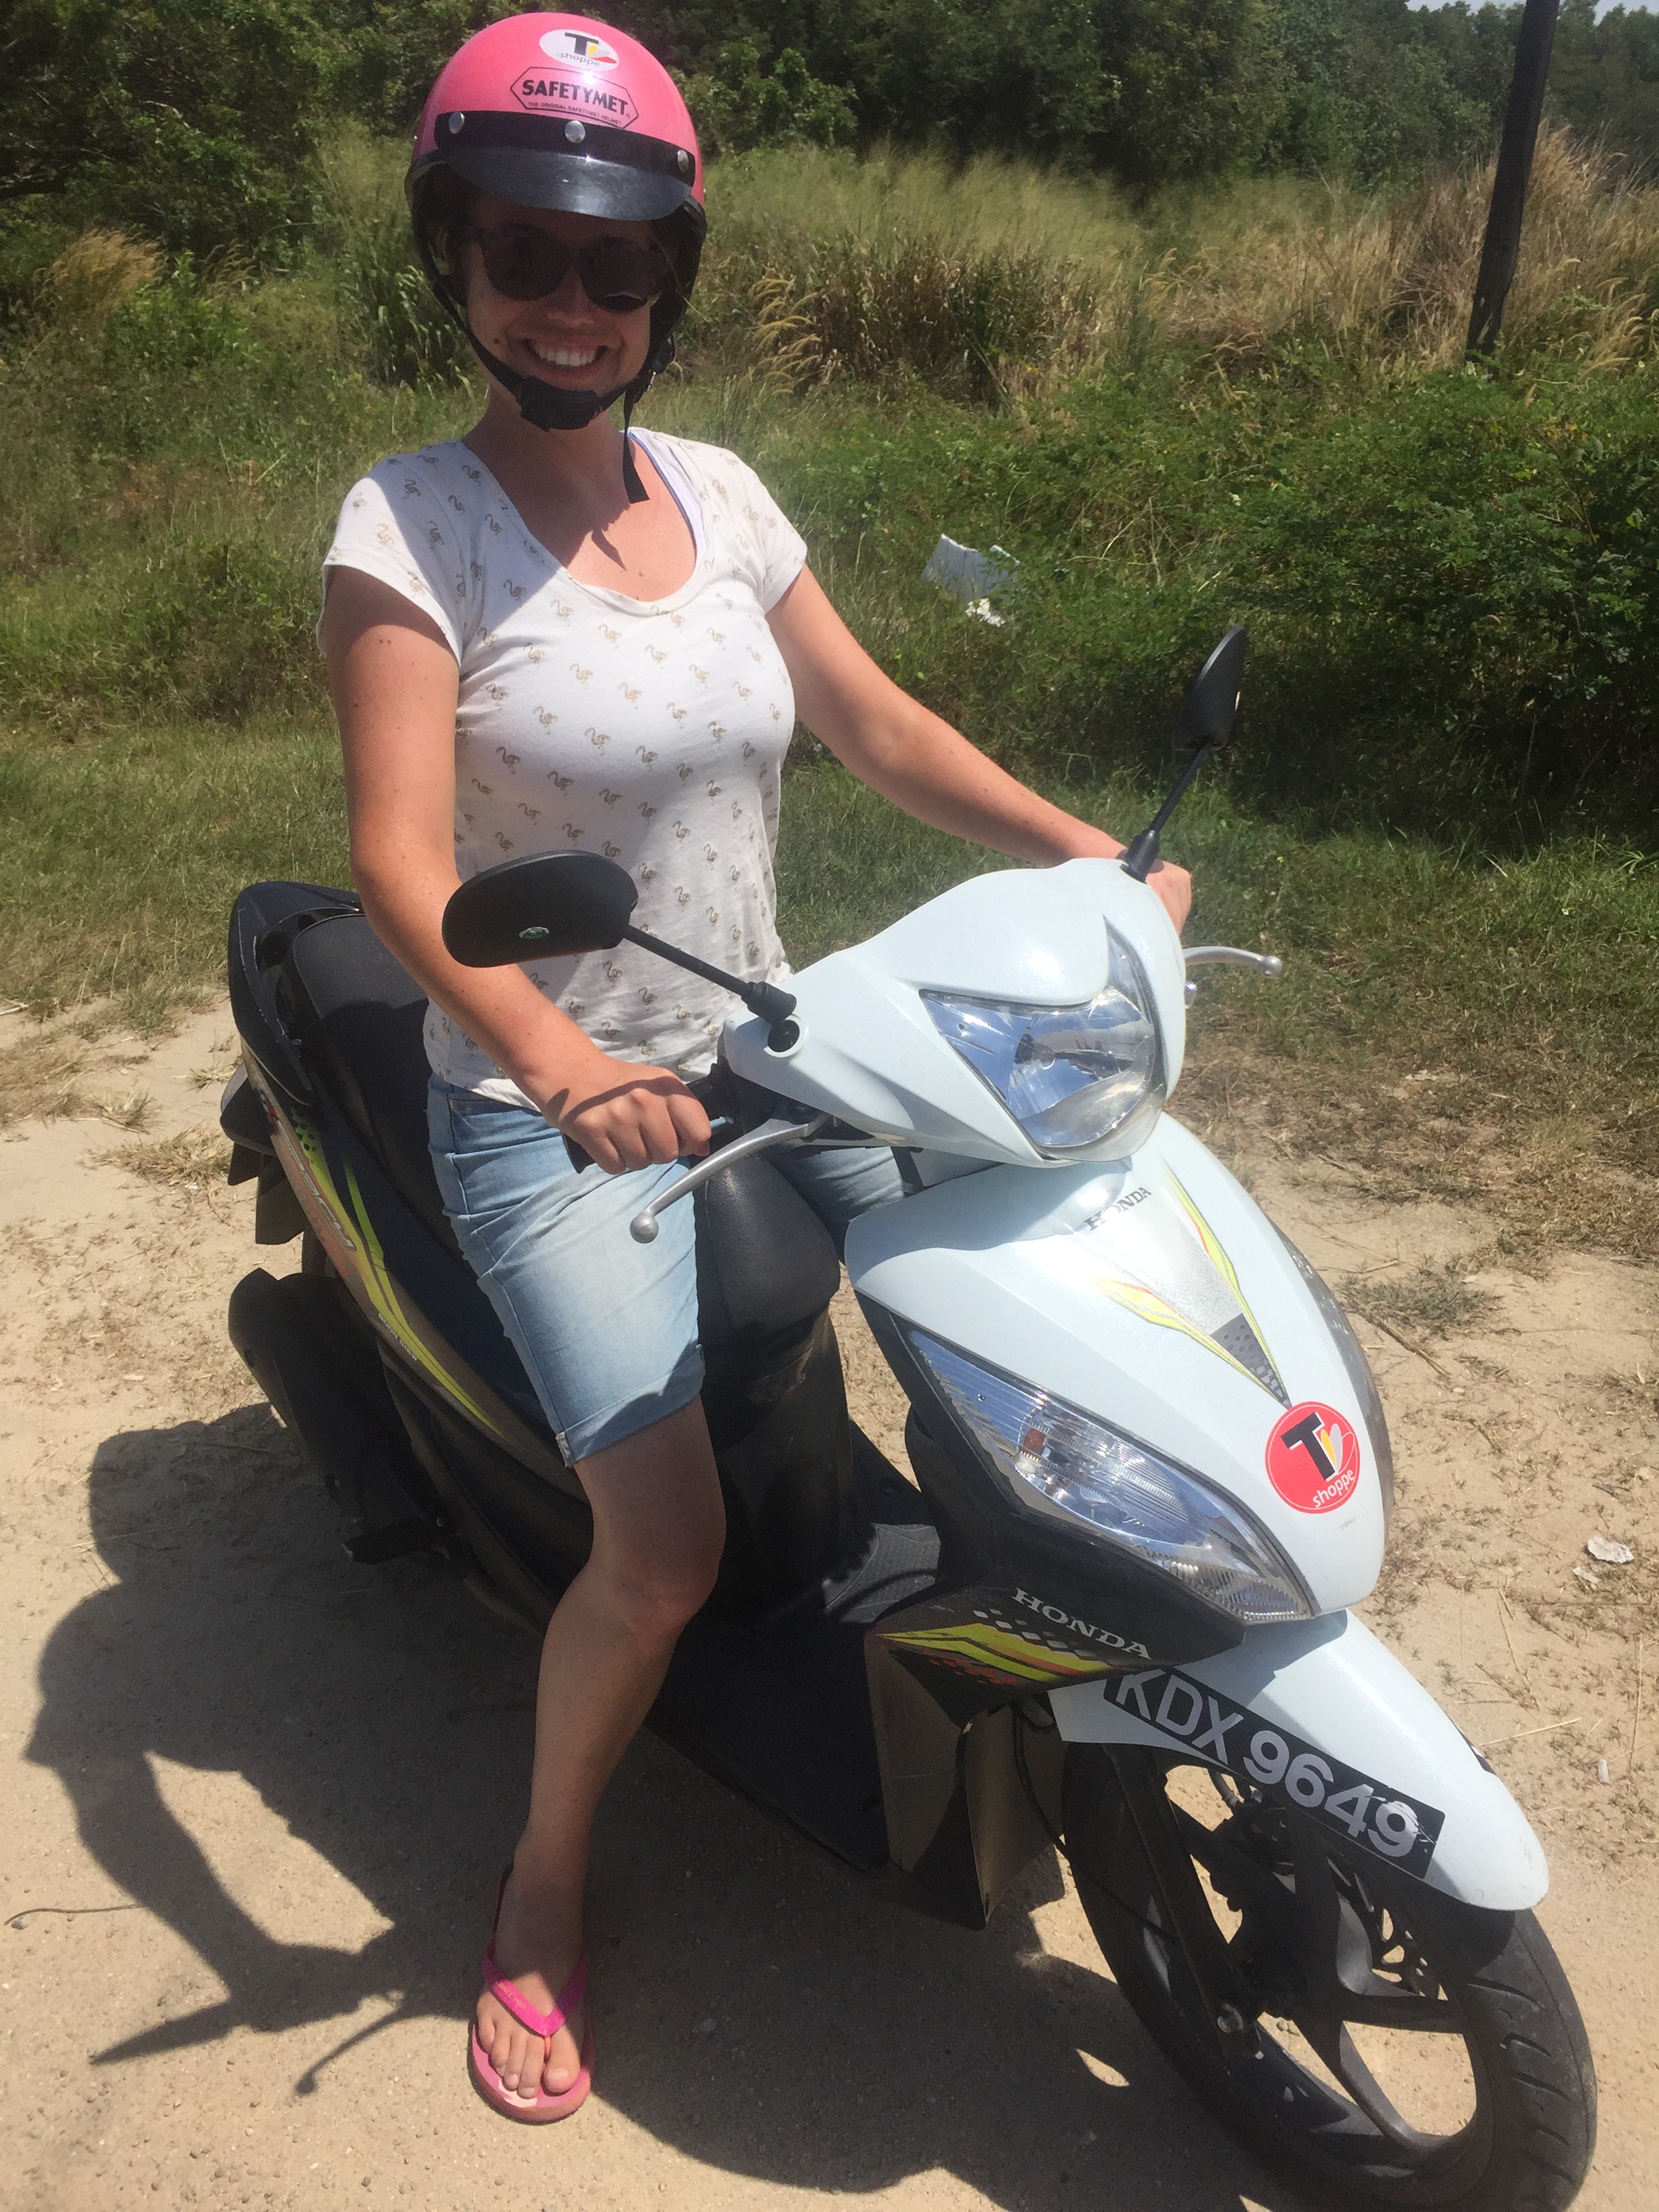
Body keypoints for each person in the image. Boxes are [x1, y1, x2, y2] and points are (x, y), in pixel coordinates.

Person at [319, 11, 1191, 2127]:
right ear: (456, 258)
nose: (573, 300)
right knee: (665, 1550)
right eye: (526, 251)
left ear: (668, 283)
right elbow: (402, 860)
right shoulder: (410, 524)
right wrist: (548, 1059)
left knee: (1053, 1287)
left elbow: (882, 727)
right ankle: (542, 1883)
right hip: (554, 1108)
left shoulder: (717, 495)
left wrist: (1095, 858)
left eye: (616, 263)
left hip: (778, 1043)